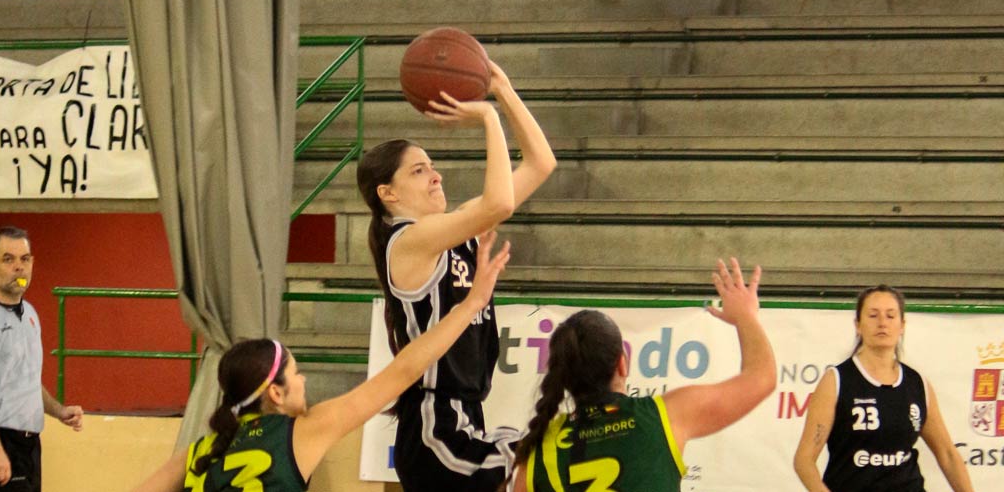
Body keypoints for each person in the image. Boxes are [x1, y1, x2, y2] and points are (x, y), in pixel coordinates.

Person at [132, 231, 510, 491]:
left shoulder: (201, 449)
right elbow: (404, 371)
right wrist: (473, 302)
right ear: (275, 393)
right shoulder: (301, 432)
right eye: (295, 373)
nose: (303, 379)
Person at [355, 60, 556, 491]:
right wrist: (486, 115)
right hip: (435, 429)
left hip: (467, 416)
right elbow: (500, 203)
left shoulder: (457, 228)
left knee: (546, 460)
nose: (435, 174)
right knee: (543, 468)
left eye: (431, 165)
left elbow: (541, 163)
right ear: (387, 194)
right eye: (419, 170)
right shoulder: (407, 241)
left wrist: (502, 88)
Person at [510, 258, 776, 492]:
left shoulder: (537, 446)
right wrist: (746, 316)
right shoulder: (664, 416)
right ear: (622, 364)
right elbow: (762, 378)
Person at [793, 285, 974, 492]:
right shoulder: (837, 381)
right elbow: (804, 460)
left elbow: (948, 454)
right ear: (858, 325)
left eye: (890, 316)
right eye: (873, 315)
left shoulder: (917, 384)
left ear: (902, 325)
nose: (882, 323)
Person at [0, 226, 83, 492]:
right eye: (8, 259)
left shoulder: (30, 315)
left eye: (25, 259)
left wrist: (59, 411)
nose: (19, 268)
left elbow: (25, 381)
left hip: (28, 448)